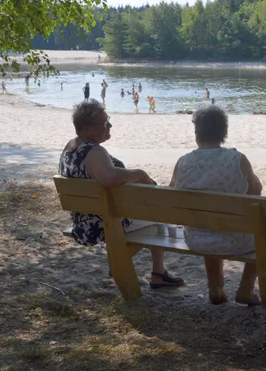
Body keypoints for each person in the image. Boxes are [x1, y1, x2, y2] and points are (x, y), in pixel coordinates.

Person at [59, 100, 185, 289]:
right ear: (86, 129)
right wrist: (139, 173)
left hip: (83, 219)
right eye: (104, 123)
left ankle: (151, 271)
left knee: (153, 210)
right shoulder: (94, 151)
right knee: (159, 215)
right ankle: (154, 272)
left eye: (108, 120)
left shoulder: (71, 147)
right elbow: (109, 178)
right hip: (104, 222)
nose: (109, 126)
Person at [169, 106, 261, 305]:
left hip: (196, 238)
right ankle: (245, 289)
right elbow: (256, 192)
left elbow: (172, 196)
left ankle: (215, 288)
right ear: (224, 133)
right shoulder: (238, 159)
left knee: (208, 222)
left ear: (196, 134)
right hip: (237, 240)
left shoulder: (183, 162)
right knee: (264, 234)